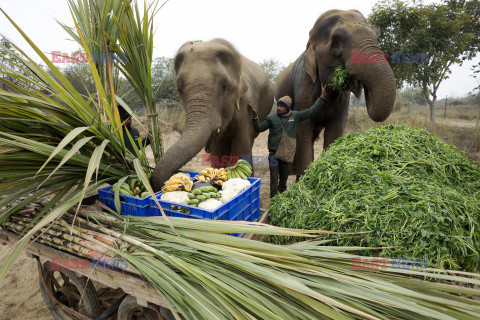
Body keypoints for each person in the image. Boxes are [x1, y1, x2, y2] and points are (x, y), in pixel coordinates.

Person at [248, 83, 328, 198]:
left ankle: (281, 202)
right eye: (278, 105)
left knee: (283, 181)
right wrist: (255, 118)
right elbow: (259, 128)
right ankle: (273, 202)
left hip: (288, 154)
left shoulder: (295, 116)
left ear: (287, 107)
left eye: (282, 106)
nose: (279, 108)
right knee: (274, 181)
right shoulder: (271, 118)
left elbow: (311, 111)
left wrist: (322, 98)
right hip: (274, 154)